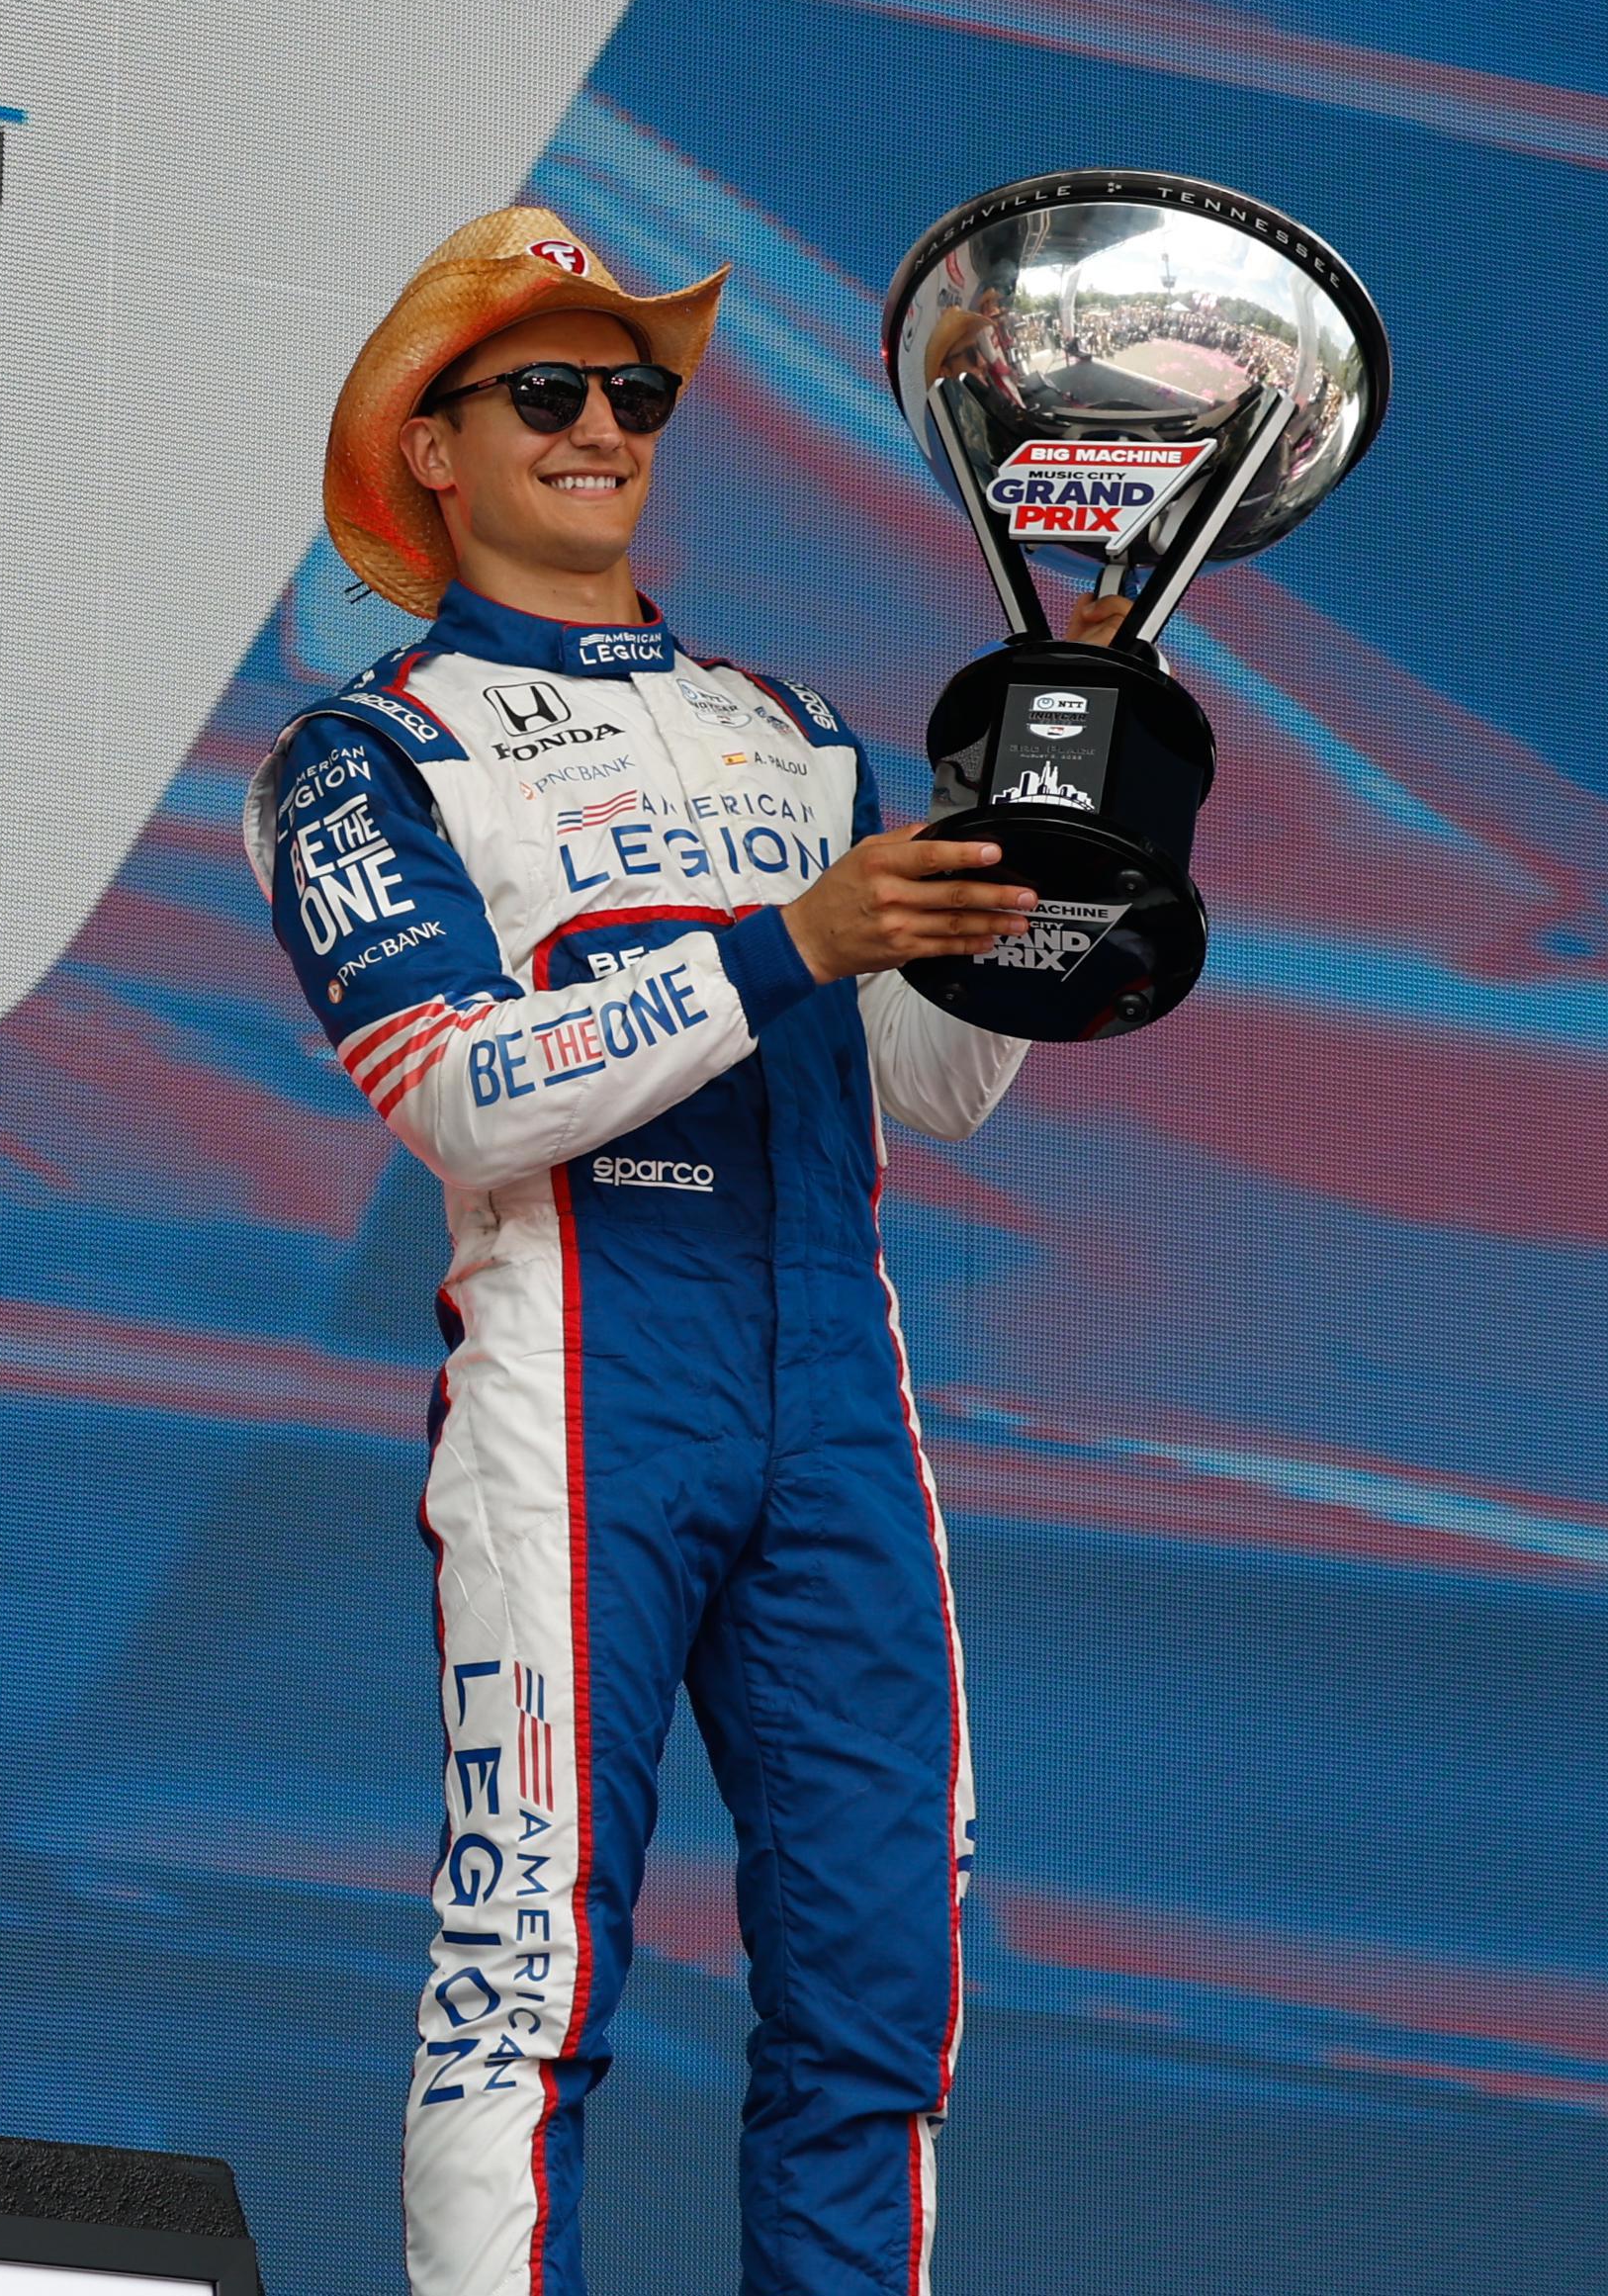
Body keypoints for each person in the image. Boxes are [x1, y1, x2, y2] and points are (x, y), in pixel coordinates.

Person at [249, 204, 1122, 2296]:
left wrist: (1059, 862)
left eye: (632, 388)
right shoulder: (367, 755)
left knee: (876, 1997)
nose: (600, 422)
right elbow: (459, 1091)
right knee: (524, 1977)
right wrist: (789, 938)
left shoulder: (792, 734)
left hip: (835, 1374)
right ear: (428, 445)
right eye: (542, 386)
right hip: (579, 1378)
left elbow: (931, 1085)